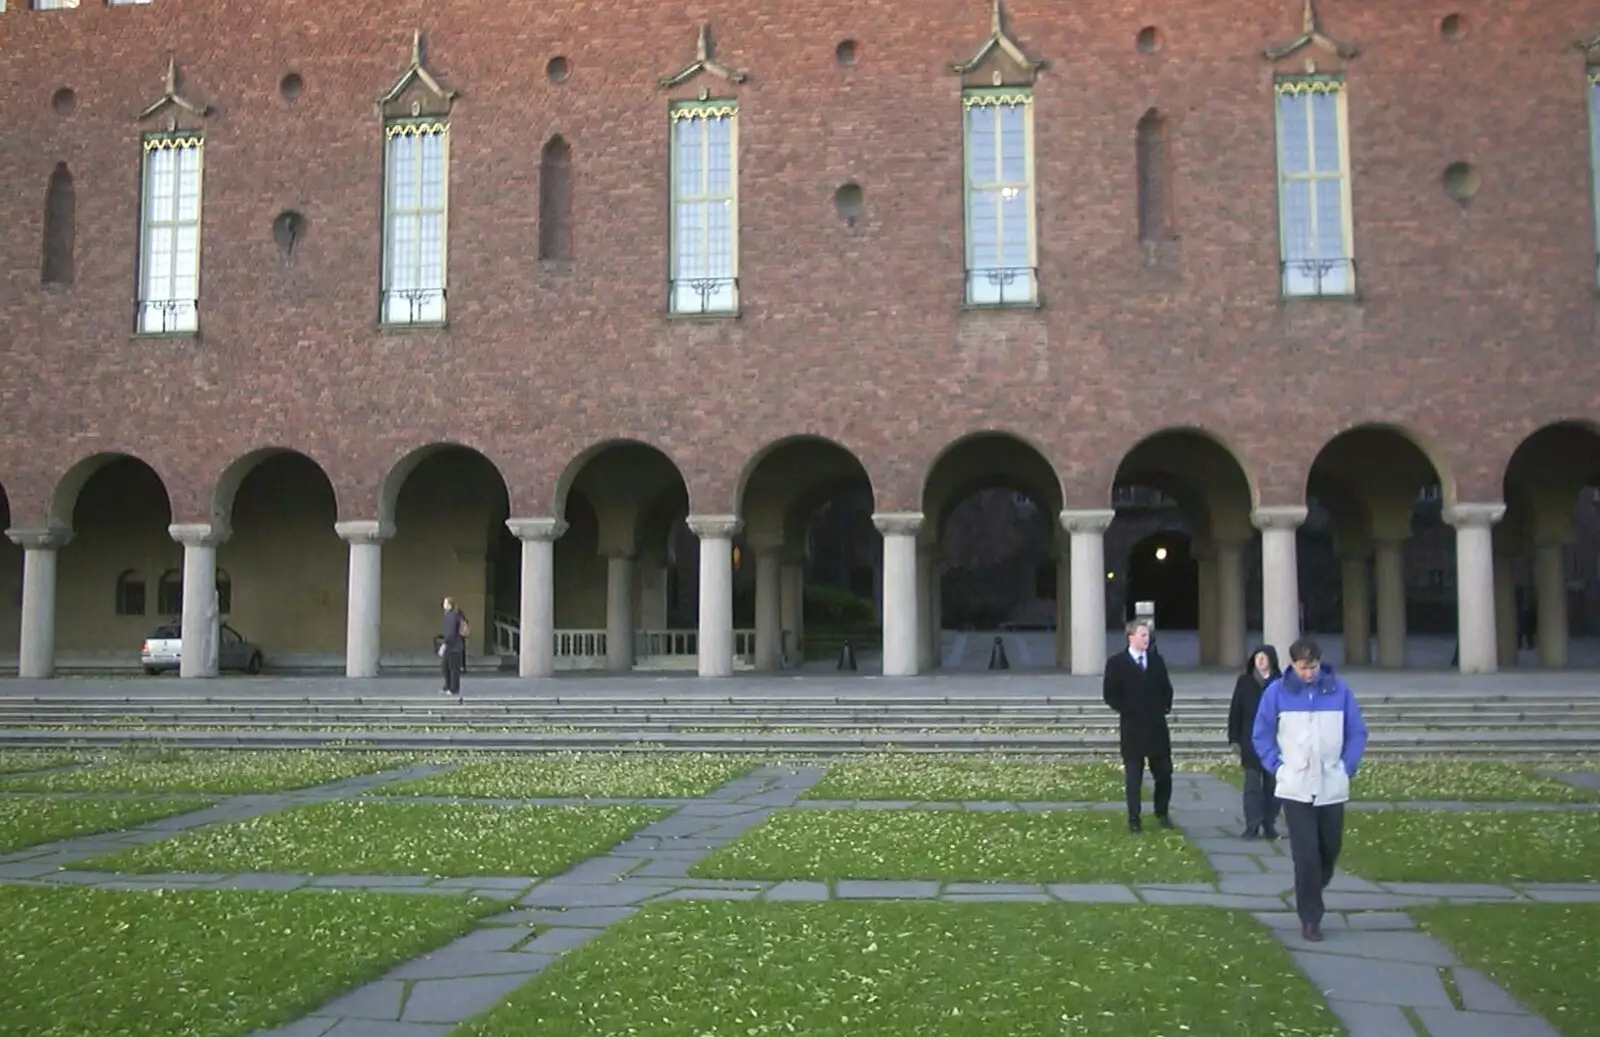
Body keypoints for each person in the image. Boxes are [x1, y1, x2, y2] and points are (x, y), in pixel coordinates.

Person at [1251, 637, 1369, 943]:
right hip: (1295, 786)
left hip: (1331, 783)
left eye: (1313, 667)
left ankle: (1317, 882)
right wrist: (1277, 767)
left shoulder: (1339, 690)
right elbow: (1261, 733)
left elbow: (1356, 731)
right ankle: (1311, 918)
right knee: (1305, 856)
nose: (1308, 673)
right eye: (1303, 668)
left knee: (1329, 848)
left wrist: (1347, 766)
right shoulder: (1276, 693)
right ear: (1292, 664)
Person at [1102, 619, 1174, 833]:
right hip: (1133, 729)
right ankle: (1134, 818)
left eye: (1148, 635)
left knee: (1164, 774)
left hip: (1156, 728)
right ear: (1130, 637)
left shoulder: (1156, 661)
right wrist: (1129, 709)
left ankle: (1162, 812)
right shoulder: (1117, 663)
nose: (1146, 638)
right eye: (1142, 635)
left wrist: (1163, 707)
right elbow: (1110, 693)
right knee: (1134, 777)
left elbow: (1166, 688)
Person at [1227, 644, 1283, 839]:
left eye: (1264, 657)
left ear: (1271, 660)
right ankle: (1252, 824)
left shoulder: (1280, 683)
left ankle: (1269, 823)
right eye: (1257, 657)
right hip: (1249, 742)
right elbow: (1236, 711)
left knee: (1273, 786)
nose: (1260, 660)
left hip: (1274, 744)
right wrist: (1234, 739)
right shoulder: (1244, 682)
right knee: (1252, 787)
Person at [439, 596, 470, 698]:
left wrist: (444, 644)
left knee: (452, 668)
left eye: (445, 603)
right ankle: (448, 686)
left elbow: (451, 632)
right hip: (453, 646)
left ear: (449, 605)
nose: (443, 605)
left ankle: (453, 689)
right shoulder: (451, 615)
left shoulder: (452, 616)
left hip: (453, 646)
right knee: (446, 666)